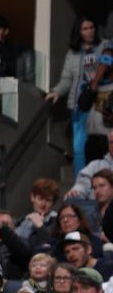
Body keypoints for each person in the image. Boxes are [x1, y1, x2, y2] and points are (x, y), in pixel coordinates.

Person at [47, 17, 105, 176]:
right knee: (79, 146)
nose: (90, 31)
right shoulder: (73, 52)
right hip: (80, 103)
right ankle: (81, 180)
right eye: (85, 29)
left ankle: (103, 181)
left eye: (92, 27)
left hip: (102, 102)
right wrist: (57, 91)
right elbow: (67, 78)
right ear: (79, 32)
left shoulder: (104, 46)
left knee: (102, 143)